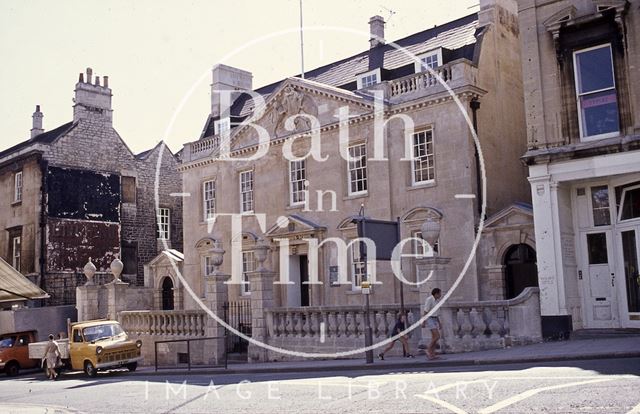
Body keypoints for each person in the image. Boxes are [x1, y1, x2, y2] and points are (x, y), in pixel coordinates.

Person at [423, 288, 442, 360]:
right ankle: (428, 350)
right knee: (437, 336)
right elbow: (426, 311)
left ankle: (432, 354)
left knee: (434, 337)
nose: (440, 295)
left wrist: (439, 323)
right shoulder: (429, 300)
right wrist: (423, 322)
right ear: (436, 294)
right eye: (439, 293)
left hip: (434, 318)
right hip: (429, 318)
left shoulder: (437, 301)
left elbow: (436, 313)